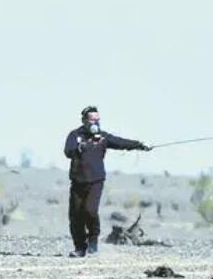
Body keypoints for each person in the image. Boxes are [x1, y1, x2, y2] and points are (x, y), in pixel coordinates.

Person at [63, 106, 152, 257]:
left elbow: (120, 142)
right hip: (78, 181)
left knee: (90, 211)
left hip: (96, 181)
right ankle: (79, 248)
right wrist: (80, 147)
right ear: (84, 120)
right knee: (76, 215)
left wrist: (140, 145)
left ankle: (93, 242)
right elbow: (68, 152)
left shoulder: (103, 137)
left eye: (97, 120)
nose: (95, 123)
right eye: (92, 120)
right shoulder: (74, 135)